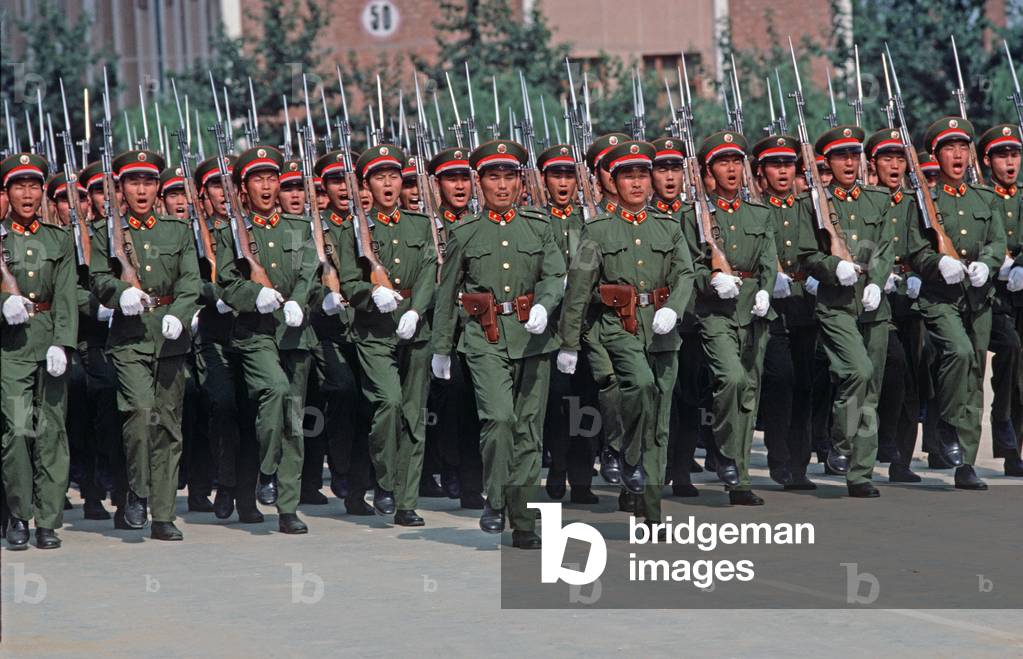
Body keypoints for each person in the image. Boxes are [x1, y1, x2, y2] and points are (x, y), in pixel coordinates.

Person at [432, 139, 565, 549]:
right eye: (493, 177)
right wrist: (442, 346)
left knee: (529, 432)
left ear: (521, 182)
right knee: (500, 420)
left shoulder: (539, 226)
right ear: (479, 182)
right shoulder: (466, 231)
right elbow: (448, 289)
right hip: (483, 338)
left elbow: (555, 273)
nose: (502, 186)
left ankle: (524, 523)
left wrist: (544, 304)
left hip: (533, 339)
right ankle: (495, 496)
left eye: (510, 177)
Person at [558, 139, 695, 527]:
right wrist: (569, 342)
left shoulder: (667, 227)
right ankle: (625, 453)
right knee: (640, 384)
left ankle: (650, 514)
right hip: (618, 329)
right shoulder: (596, 230)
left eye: (641, 175)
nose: (636, 183)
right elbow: (580, 287)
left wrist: (673, 307)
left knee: (659, 425)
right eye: (626, 176)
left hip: (662, 331)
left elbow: (685, 274)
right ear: (613, 183)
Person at [89, 149, 200, 540]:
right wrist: (120, 292)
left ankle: (164, 514)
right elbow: (98, 279)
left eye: (149, 182)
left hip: (170, 337)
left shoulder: (177, 230)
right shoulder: (105, 232)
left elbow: (191, 281)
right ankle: (137, 491)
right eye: (134, 182)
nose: (142, 189)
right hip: (129, 339)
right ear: (120, 187)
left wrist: (181, 312)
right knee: (139, 412)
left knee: (168, 426)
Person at [215, 145, 318, 533]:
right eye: (258, 178)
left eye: (272, 177)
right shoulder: (232, 233)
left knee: (293, 420)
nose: (267, 185)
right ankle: (266, 471)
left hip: (295, 332)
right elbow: (226, 280)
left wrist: (297, 301)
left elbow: (308, 272)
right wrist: (252, 296)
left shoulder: (300, 226)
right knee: (274, 392)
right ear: (244, 188)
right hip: (255, 334)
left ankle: (288, 507)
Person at [337, 144, 437, 526]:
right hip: (374, 331)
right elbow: (347, 279)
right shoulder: (354, 230)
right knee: (390, 404)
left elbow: (430, 270)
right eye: (380, 177)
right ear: (367, 184)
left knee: (414, 415)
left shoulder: (420, 223)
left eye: (394, 176)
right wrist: (369, 294)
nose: (389, 183)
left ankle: (406, 501)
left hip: (415, 327)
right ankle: (385, 479)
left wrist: (416, 310)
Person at [908, 117, 1006, 490]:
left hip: (977, 299)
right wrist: (938, 263)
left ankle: (966, 462)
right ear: (936, 155)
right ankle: (947, 422)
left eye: (963, 148)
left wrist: (988, 263)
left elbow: (997, 241)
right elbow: (914, 250)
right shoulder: (925, 202)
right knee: (960, 354)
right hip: (940, 299)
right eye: (949, 148)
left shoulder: (986, 199)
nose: (958, 155)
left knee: (973, 376)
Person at [798, 126, 894, 498]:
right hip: (836, 305)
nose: (849, 163)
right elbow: (806, 254)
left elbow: (884, 247)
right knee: (858, 371)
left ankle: (860, 474)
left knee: (870, 391)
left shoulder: (879, 199)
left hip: (873, 304)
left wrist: (877, 280)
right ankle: (839, 439)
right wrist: (829, 267)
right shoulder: (814, 204)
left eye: (854, 155)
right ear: (827, 162)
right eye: (841, 157)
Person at [689, 132, 776, 504]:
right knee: (732, 378)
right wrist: (712, 279)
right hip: (716, 314)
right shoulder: (695, 216)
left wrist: (764, 290)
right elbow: (688, 268)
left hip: (753, 312)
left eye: (736, 162)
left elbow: (769, 260)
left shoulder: (759, 214)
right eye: (723, 163)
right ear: (708, 171)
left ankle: (739, 479)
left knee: (748, 395)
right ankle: (724, 451)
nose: (731, 169)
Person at [1, 153, 78, 549]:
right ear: (7, 192)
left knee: (51, 431)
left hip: (48, 338)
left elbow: (65, 294)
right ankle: (19, 514)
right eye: (19, 186)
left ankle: (48, 519)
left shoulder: (58, 239)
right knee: (16, 431)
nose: (27, 194)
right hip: (10, 348)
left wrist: (63, 342)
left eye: (34, 186)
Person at [752, 134, 819, 490]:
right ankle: (779, 457)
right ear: (761, 171)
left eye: (788, 164)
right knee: (781, 379)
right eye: (775, 165)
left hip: (805, 302)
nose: (782, 171)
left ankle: (800, 463)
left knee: (806, 383)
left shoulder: (810, 205)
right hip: (771, 305)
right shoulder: (756, 209)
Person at [535, 143, 598, 504]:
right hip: (551, 329)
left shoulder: (588, 221)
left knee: (588, 405)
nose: (563, 182)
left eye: (569, 175)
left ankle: (583, 478)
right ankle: (557, 472)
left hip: (588, 325)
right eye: (556, 175)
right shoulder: (536, 222)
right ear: (543, 180)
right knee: (558, 405)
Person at [867, 129, 928, 483]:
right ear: (873, 164)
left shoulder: (914, 202)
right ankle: (867, 442)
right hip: (874, 295)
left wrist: (920, 270)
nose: (894, 165)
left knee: (910, 378)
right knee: (888, 367)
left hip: (910, 295)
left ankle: (901, 459)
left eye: (899, 158)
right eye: (887, 158)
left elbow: (926, 244)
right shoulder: (868, 201)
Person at [978, 123, 1023, 477]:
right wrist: (998, 261)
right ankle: (1003, 423)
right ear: (987, 160)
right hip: (991, 293)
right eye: (1002, 155)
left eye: (1014, 154)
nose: (1010, 162)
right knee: (1009, 350)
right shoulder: (979, 196)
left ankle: (1013, 451)